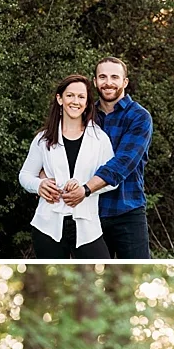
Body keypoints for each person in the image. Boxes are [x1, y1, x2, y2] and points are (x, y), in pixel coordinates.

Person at [18, 74, 119, 259]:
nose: (75, 101)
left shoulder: (99, 139)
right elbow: (25, 175)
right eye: (70, 95)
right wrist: (40, 186)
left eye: (81, 97)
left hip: (88, 227)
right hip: (47, 225)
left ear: (87, 102)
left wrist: (85, 189)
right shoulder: (43, 139)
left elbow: (114, 181)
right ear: (60, 99)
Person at [63, 57, 152, 259]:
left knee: (135, 273)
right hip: (89, 213)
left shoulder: (139, 116)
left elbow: (123, 163)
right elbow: (58, 147)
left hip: (126, 210)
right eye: (102, 77)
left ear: (125, 82)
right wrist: (43, 177)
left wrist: (85, 190)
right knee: (90, 277)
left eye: (114, 77)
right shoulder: (84, 115)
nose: (108, 82)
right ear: (95, 82)